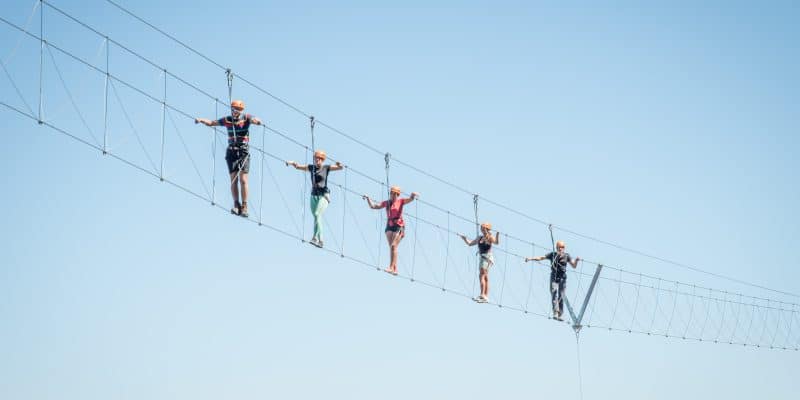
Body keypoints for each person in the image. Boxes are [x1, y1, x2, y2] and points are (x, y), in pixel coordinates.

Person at [195, 100, 263, 217]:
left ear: (241, 110)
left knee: (243, 180)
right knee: (234, 179)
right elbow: (212, 123)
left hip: (243, 152)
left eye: (236, 110)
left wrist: (257, 121)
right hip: (231, 151)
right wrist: (201, 120)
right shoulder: (228, 120)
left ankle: (244, 206)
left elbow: (255, 119)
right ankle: (236, 204)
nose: (234, 112)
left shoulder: (246, 118)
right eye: (232, 109)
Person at [285, 150, 343, 248]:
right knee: (316, 217)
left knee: (317, 214)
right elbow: (298, 167)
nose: (318, 160)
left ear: (323, 160)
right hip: (313, 195)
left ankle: (317, 238)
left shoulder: (326, 168)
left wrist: (339, 164)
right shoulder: (311, 167)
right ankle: (319, 240)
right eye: (316, 158)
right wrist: (292, 163)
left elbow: (340, 168)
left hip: (324, 195)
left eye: (320, 159)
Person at [363, 186, 418, 276]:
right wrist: (368, 199)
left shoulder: (401, 201)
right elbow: (374, 206)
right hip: (389, 225)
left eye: (394, 194)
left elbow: (410, 199)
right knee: (392, 248)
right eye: (391, 193)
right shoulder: (387, 203)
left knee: (393, 246)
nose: (392, 195)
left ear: (397, 194)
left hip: (399, 225)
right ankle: (395, 268)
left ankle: (391, 267)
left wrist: (413, 195)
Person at [525, 240, 581, 321]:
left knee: (561, 295)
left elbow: (574, 265)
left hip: (562, 277)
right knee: (554, 292)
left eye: (562, 247)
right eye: (559, 247)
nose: (561, 249)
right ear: (557, 248)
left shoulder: (566, 256)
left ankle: (560, 314)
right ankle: (555, 311)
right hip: (554, 276)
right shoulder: (553, 255)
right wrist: (530, 258)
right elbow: (541, 258)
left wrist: (576, 261)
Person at [459, 222, 500, 303]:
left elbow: (497, 243)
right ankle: (485, 296)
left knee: (481, 275)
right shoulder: (480, 238)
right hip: (482, 258)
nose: (482, 229)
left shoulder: (489, 238)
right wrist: (464, 239)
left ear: (487, 229)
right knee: (485, 277)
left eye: (483, 228)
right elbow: (470, 244)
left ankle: (482, 295)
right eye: (481, 228)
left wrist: (497, 235)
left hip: (486, 257)